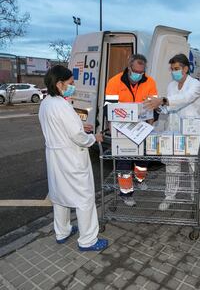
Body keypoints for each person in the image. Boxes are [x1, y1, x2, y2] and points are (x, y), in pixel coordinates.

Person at [39, 65, 108, 251]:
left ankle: (62, 232)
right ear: (60, 83)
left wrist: (79, 126)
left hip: (55, 157)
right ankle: (88, 240)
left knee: (59, 196)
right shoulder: (62, 105)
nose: (73, 85)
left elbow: (61, 127)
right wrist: (94, 137)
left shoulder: (46, 102)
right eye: (70, 82)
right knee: (84, 198)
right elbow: (77, 137)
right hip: (71, 158)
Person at [144, 53, 200, 210]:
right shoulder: (171, 86)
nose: (173, 71)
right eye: (172, 69)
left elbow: (186, 98)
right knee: (172, 165)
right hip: (174, 129)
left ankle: (197, 198)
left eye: (176, 68)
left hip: (191, 130)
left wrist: (163, 100)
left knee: (194, 166)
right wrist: (159, 106)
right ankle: (169, 196)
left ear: (185, 68)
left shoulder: (195, 84)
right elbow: (169, 107)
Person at [105, 54, 158, 207]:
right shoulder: (114, 82)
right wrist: (111, 128)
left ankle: (140, 179)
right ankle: (126, 193)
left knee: (142, 160)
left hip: (141, 127)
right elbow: (109, 107)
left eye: (142, 72)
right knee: (124, 162)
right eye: (136, 71)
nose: (139, 75)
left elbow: (153, 105)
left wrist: (151, 123)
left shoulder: (150, 82)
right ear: (129, 68)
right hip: (121, 128)